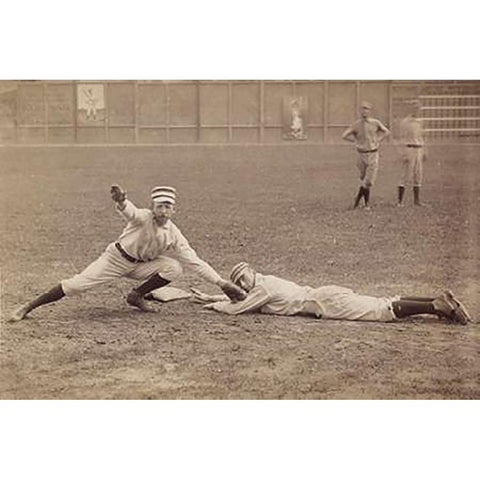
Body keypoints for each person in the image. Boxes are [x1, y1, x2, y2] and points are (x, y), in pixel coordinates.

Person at [8, 185, 246, 322]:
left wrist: (222, 283)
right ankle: (28, 307)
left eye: (167, 206)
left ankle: (135, 296)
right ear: (153, 207)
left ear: (174, 210)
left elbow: (195, 261)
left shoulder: (174, 234)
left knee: (175, 267)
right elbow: (129, 211)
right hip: (115, 259)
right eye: (159, 205)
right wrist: (121, 201)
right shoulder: (143, 217)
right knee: (77, 285)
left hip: (141, 266)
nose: (163, 210)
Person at [191, 262, 472, 325]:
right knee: (379, 303)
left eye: (243, 277)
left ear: (252, 272)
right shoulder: (264, 283)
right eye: (240, 281)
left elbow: (239, 308)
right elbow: (243, 299)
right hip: (322, 297)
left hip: (323, 302)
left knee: (379, 311)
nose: (243, 283)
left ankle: (437, 306)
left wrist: (216, 306)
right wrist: (213, 296)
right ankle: (435, 301)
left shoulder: (262, 287)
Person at [342, 101, 390, 209]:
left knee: (368, 181)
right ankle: (363, 204)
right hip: (361, 154)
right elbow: (344, 135)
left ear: (370, 111)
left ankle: (359, 202)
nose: (364, 111)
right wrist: (355, 141)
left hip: (373, 153)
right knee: (363, 179)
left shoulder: (375, 123)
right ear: (360, 111)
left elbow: (386, 131)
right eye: (363, 109)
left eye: (367, 109)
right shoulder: (356, 124)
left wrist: (379, 139)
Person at [397, 100, 426, 206]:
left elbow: (422, 136)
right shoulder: (405, 122)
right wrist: (403, 153)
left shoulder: (420, 122)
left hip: (419, 149)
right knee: (405, 175)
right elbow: (401, 138)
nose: (417, 110)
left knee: (418, 174)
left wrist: (424, 151)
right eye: (414, 108)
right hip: (409, 149)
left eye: (418, 108)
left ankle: (417, 201)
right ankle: (400, 201)